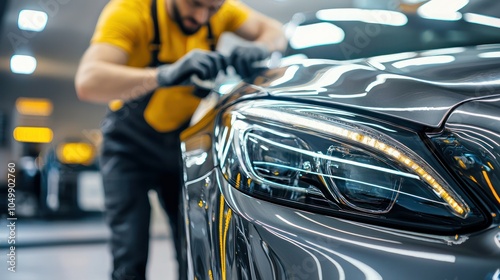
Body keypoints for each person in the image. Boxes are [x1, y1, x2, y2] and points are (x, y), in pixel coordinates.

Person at [74, 0, 286, 279]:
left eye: (211, 10)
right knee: (129, 253)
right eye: (194, 4)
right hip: (128, 147)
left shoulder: (221, 8)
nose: (201, 16)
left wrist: (261, 46)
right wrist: (164, 74)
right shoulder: (130, 11)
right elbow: (87, 82)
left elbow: (276, 30)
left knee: (190, 247)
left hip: (179, 145)